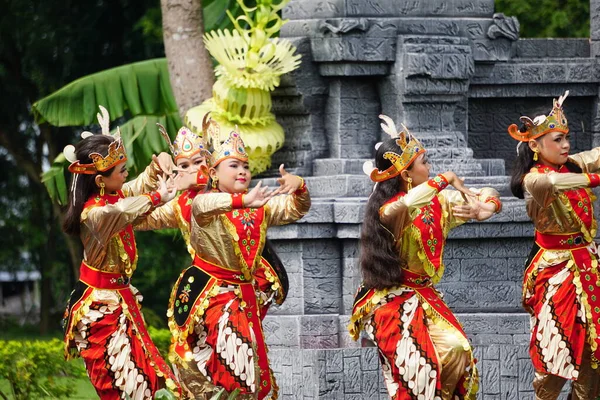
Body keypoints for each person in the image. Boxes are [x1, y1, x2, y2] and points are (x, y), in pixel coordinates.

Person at [139, 119, 307, 399]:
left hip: (246, 290)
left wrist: (299, 186)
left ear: (208, 167)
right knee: (219, 363)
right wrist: (152, 186)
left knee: (246, 368)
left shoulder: (253, 203)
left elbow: (294, 208)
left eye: (197, 163)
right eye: (184, 166)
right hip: (210, 292)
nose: (193, 171)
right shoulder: (190, 204)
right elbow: (147, 218)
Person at [348, 115, 502, 400]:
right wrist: (447, 178)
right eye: (424, 162)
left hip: (425, 296)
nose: (430, 167)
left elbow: (486, 193)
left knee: (458, 349)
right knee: (417, 372)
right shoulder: (389, 211)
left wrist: (487, 207)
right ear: (406, 174)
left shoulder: (438, 202)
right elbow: (407, 202)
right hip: (390, 302)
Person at [61, 106, 181, 399]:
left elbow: (134, 188)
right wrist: (157, 197)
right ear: (101, 180)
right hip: (101, 309)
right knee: (122, 386)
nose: (127, 174)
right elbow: (122, 210)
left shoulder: (114, 194)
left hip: (122, 299)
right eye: (122, 170)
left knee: (148, 381)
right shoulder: (95, 214)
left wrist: (158, 167)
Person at [508, 91, 600, 399]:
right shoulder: (534, 180)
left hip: (587, 264)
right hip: (555, 271)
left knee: (594, 349)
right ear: (534, 145)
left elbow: (594, 155)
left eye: (566, 138)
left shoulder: (570, 165)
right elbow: (555, 184)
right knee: (555, 352)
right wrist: (595, 179)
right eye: (557, 139)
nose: (565, 146)